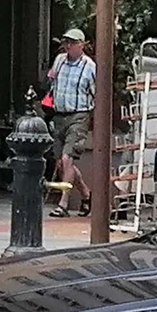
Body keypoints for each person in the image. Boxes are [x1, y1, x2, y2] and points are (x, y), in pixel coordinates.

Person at [43, 28, 97, 217]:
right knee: (62, 163)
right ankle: (85, 194)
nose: (68, 46)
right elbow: (50, 82)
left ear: (82, 45)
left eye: (72, 43)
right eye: (66, 42)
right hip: (59, 114)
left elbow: (97, 92)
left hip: (79, 114)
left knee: (67, 158)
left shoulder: (89, 66)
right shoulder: (59, 61)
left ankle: (63, 204)